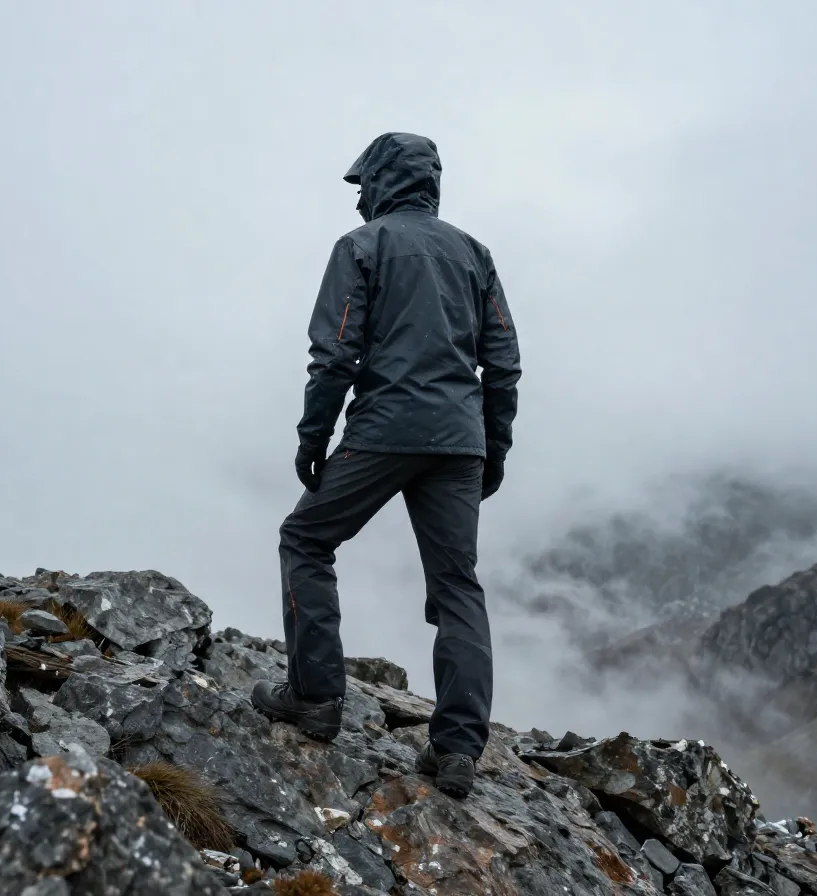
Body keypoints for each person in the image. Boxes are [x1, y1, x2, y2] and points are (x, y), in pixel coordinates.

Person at [251, 132, 521, 798]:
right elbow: (504, 363)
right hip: (459, 441)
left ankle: (315, 697)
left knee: (305, 540)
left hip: (384, 430)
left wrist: (313, 438)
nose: (357, 200)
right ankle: (457, 752)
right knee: (457, 587)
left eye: (362, 185)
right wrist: (492, 448)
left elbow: (334, 354)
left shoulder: (361, 247)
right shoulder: (474, 254)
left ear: (383, 180)